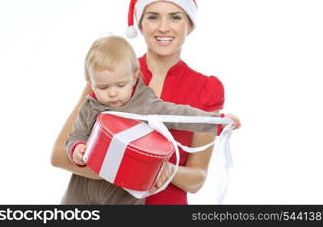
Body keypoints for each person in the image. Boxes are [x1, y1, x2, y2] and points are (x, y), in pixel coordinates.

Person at [51, 0, 237, 204]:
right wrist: (129, 171)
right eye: (153, 17)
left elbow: (196, 179)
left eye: (175, 17)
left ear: (189, 24)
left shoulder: (206, 89)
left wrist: (167, 171)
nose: (163, 27)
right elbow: (60, 156)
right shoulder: (110, 78)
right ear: (140, 24)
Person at [61, 36, 240, 204]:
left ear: (134, 78)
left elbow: (179, 115)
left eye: (120, 85)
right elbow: (75, 136)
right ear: (90, 83)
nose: (112, 93)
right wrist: (76, 149)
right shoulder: (90, 106)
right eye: (103, 87)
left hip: (124, 193)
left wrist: (216, 122)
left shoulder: (145, 103)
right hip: (82, 188)